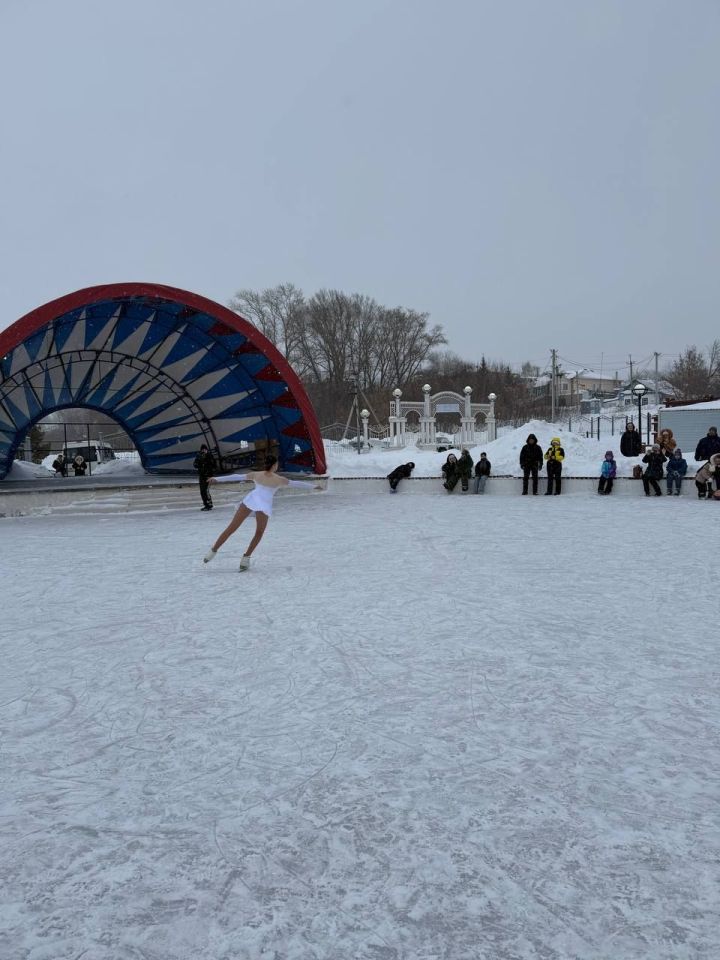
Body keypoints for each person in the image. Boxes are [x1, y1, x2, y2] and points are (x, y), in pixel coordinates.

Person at [203, 455, 321, 570]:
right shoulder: (279, 479)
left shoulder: (256, 474)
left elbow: (237, 476)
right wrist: (314, 486)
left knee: (231, 528)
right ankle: (246, 558)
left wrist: (217, 478)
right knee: (258, 533)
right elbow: (297, 483)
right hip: (263, 506)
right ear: (274, 465)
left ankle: (212, 551)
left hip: (251, 501)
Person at [193, 443, 216, 511]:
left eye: (205, 450)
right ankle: (207, 504)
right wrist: (200, 463)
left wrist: (206, 459)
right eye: (203, 450)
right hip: (202, 475)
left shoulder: (209, 455)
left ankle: (209, 504)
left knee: (205, 491)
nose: (204, 451)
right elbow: (195, 464)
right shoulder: (198, 456)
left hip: (208, 476)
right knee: (203, 491)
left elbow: (213, 465)